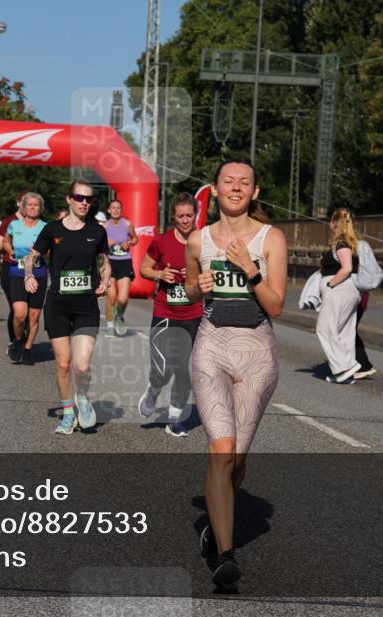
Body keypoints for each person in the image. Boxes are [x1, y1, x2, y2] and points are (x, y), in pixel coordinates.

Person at [184, 160, 287, 591]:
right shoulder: (199, 238)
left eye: (244, 182)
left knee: (238, 459)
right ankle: (226, 557)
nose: (236, 187)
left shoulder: (271, 238)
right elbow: (188, 289)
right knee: (221, 451)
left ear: (255, 191)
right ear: (217, 189)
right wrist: (199, 286)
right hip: (211, 345)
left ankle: (215, 518)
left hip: (256, 351)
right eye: (229, 181)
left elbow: (277, 305)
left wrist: (251, 268)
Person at [25, 180, 111, 435]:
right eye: (79, 198)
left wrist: (105, 280)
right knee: (63, 364)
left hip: (85, 305)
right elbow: (32, 255)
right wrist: (29, 274)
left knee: (81, 366)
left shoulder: (97, 231)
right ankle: (67, 413)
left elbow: (103, 261)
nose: (84, 203)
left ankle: (82, 397)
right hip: (58, 304)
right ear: (69, 200)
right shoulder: (52, 230)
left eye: (89, 199)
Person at [137, 193, 202, 436]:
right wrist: (160, 275)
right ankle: (153, 390)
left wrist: (196, 276)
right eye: (180, 216)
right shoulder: (161, 242)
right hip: (165, 311)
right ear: (173, 216)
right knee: (163, 368)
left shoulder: (203, 241)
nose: (185, 220)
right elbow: (144, 268)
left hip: (193, 312)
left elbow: (213, 274)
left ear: (195, 215)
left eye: (189, 215)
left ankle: (175, 417)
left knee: (184, 368)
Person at [317, 207, 362, 384]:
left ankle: (347, 365)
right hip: (350, 290)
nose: (329, 224)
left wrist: (330, 284)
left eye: (331, 221)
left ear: (336, 223)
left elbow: (347, 268)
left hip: (340, 289)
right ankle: (344, 373)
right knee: (344, 331)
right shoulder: (351, 243)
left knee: (325, 329)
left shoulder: (341, 243)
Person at [4, 192, 47, 365]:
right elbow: (7, 241)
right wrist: (10, 251)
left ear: (41, 208)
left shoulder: (46, 227)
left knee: (34, 315)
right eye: (30, 204)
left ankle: (28, 349)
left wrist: (40, 250)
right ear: (23, 207)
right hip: (18, 272)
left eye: (36, 205)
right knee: (20, 315)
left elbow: (51, 250)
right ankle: (18, 340)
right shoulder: (14, 225)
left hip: (38, 273)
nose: (33, 208)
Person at [0, 192, 26, 354]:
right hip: (11, 268)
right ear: (18, 203)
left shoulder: (37, 223)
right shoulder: (9, 221)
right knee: (16, 309)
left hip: (31, 270)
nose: (28, 205)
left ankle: (23, 339)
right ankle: (13, 341)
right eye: (24, 202)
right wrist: (7, 243)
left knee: (30, 311)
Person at [103, 199, 139, 337]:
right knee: (111, 296)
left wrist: (129, 243)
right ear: (109, 210)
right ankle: (110, 327)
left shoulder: (127, 224)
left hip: (124, 262)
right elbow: (98, 245)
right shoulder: (104, 227)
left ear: (121, 210)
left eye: (118, 207)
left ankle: (119, 316)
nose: (116, 210)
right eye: (113, 208)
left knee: (123, 299)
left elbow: (136, 239)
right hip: (109, 263)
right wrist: (107, 243)